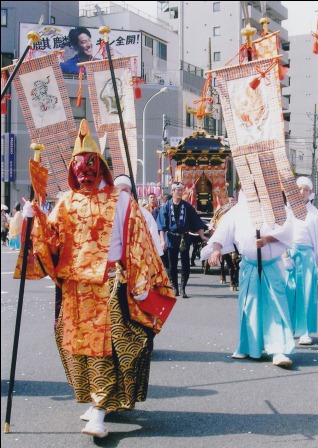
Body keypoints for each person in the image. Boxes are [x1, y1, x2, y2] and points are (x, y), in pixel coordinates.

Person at [21, 119, 175, 439]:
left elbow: (137, 240)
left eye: (90, 166)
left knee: (103, 349)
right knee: (73, 346)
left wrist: (141, 282)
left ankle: (101, 410)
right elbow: (51, 241)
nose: (84, 172)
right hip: (74, 287)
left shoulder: (120, 201)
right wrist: (33, 218)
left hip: (109, 285)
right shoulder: (66, 201)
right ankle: (95, 400)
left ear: (101, 167)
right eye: (78, 167)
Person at [203, 190, 295, 367]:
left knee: (276, 305)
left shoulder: (276, 206)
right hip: (249, 264)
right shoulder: (238, 210)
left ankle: (279, 349)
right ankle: (248, 346)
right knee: (249, 305)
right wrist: (216, 249)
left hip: (272, 266)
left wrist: (268, 238)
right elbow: (223, 231)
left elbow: (287, 230)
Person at [157, 182, 209, 298]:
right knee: (172, 264)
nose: (180, 192)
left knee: (186, 264)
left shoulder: (187, 206)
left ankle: (183, 287)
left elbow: (196, 221)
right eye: (178, 190)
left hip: (184, 237)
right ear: (173, 192)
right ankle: (174, 286)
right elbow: (161, 225)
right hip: (170, 237)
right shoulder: (165, 206)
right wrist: (162, 240)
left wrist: (202, 235)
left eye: (181, 190)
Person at [283, 176, 318, 345]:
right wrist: (284, 256)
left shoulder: (314, 214)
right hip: (289, 254)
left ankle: (305, 332)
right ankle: (288, 328)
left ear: (310, 193)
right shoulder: (286, 211)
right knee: (289, 290)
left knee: (307, 292)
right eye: (299, 189)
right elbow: (279, 235)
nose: (302, 192)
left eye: (306, 189)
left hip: (307, 256)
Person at [113, 174, 163, 256]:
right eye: (118, 191)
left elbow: (153, 242)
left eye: (125, 191)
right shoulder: (108, 214)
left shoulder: (144, 214)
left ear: (131, 193)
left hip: (138, 258)